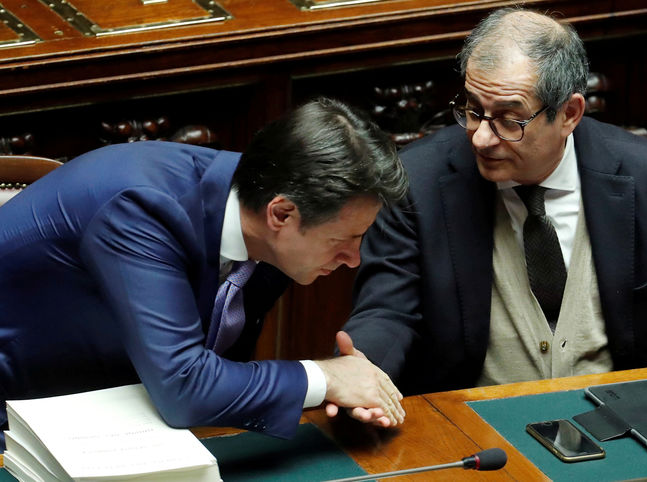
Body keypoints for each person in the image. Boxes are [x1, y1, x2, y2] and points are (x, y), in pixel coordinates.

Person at [342, 8, 647, 400]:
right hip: (474, 433)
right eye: (474, 110)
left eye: (509, 120)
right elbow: (388, 310)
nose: (481, 136)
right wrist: (363, 368)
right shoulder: (415, 183)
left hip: (625, 422)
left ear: (570, 114)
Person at [0, 97, 408, 451]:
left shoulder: (265, 207)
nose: (353, 259)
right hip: (19, 423)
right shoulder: (141, 211)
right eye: (343, 239)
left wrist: (333, 387)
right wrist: (323, 378)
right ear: (281, 213)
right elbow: (184, 386)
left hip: (124, 412)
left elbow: (208, 373)